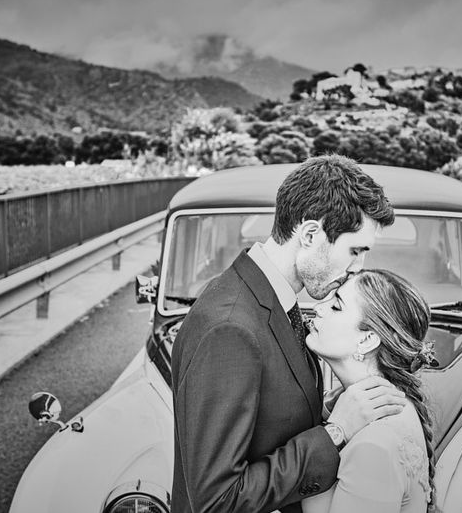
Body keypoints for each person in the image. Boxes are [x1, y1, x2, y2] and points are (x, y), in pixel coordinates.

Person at [170, 155, 405, 513]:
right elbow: (217, 500)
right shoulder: (230, 329)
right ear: (310, 235)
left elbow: (265, 418)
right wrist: (336, 432)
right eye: (354, 251)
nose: (358, 268)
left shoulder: (272, 299)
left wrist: (324, 410)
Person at [302, 269, 436, 513]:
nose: (318, 308)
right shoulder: (374, 403)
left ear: (367, 340)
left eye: (336, 306)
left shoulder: (373, 447)